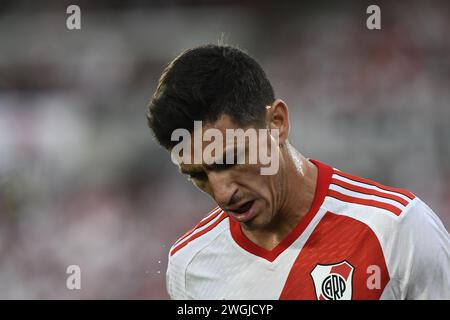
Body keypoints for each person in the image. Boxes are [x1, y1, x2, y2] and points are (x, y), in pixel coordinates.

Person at [146, 44, 450, 300]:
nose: (223, 193)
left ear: (276, 123)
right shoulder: (191, 265)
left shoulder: (396, 230)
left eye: (230, 160)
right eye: (198, 175)